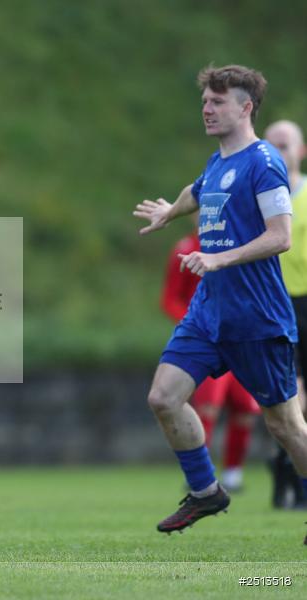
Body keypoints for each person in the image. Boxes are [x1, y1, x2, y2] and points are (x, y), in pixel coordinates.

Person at [134, 64, 307, 543]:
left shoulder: (264, 161)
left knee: (286, 424)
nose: (207, 110)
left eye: (217, 102)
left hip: (257, 316)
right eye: (205, 102)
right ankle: (206, 491)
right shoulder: (219, 162)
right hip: (209, 314)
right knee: (163, 398)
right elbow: (200, 189)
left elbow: (280, 237)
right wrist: (172, 211)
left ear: (245, 107)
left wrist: (218, 259)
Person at [161, 219, 260, 494]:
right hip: (207, 342)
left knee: (246, 408)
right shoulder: (186, 248)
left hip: (237, 339)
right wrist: (195, 326)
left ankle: (233, 474)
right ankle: (201, 478)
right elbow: (170, 299)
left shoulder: (235, 247)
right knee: (207, 408)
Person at [265, 119, 307, 508]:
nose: (280, 152)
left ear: (301, 150)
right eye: (272, 145)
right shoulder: (261, 193)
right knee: (291, 398)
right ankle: (286, 472)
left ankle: (285, 470)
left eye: (285, 145)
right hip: (277, 304)